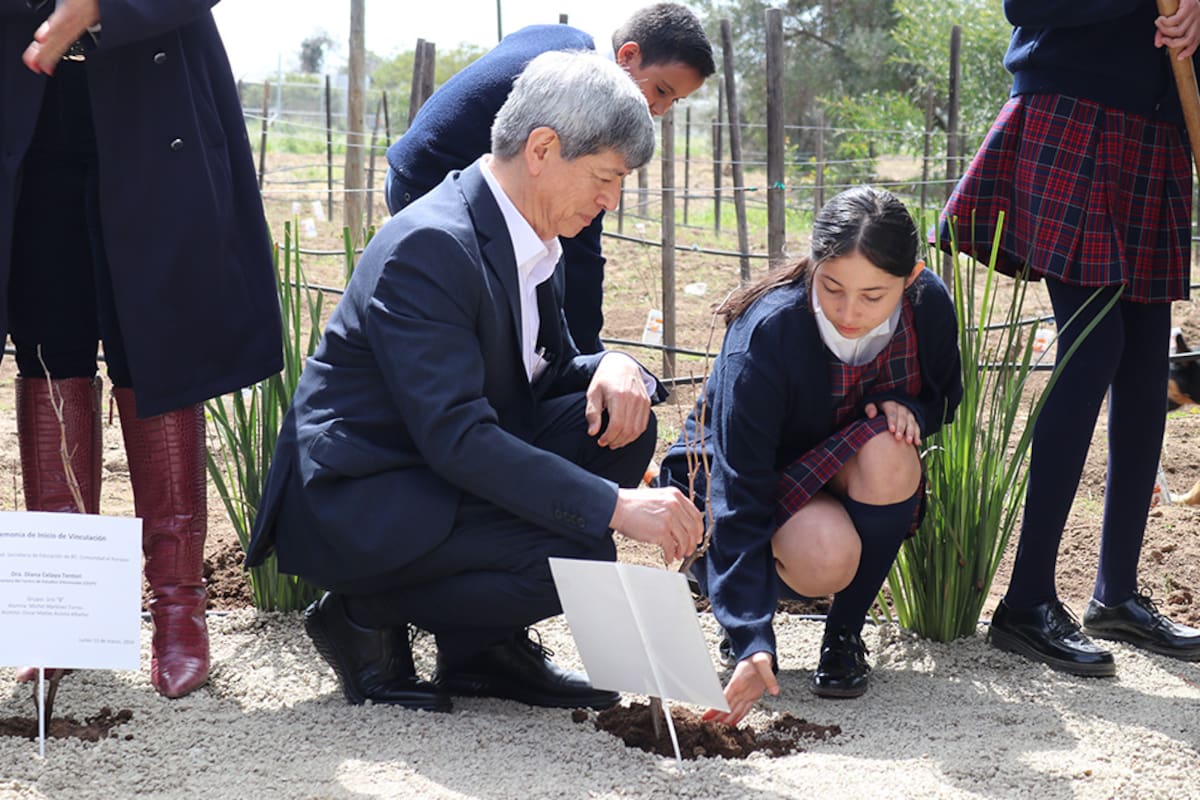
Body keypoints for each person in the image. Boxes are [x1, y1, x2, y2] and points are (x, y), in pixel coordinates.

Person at [246, 50, 704, 713]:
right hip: (368, 494)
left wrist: (614, 365)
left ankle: (478, 653)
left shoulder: (532, 231)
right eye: (605, 177)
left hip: (435, 466)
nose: (610, 199)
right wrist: (618, 506)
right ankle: (359, 611)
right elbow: (458, 436)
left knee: (618, 427)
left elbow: (543, 379)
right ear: (542, 148)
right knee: (579, 548)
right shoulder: (431, 247)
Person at [1, 0, 282, 697]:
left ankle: (179, 607)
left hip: (153, 120)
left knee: (159, 346)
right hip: (26, 115)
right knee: (47, 346)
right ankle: (65, 613)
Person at [940, 2, 1200, 675]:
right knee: (1095, 345)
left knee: (1146, 365)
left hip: (1160, 124)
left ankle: (1115, 595)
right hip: (1074, 112)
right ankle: (1026, 602)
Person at [658, 187, 962, 725]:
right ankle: (715, 574)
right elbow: (740, 486)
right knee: (825, 558)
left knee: (894, 452)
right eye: (832, 287)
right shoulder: (769, 330)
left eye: (874, 296)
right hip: (745, 473)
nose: (849, 312)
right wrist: (752, 637)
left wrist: (908, 405)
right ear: (814, 264)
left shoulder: (928, 303)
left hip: (842, 461)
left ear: (910, 279)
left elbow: (943, 398)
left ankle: (844, 637)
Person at [385, 2, 715, 354]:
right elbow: (581, 249)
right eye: (662, 91)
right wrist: (592, 357)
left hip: (409, 170)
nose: (660, 110)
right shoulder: (591, 98)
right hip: (429, 186)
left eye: (674, 101)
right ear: (628, 55)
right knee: (478, 323)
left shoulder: (565, 40)